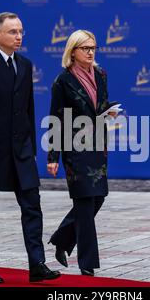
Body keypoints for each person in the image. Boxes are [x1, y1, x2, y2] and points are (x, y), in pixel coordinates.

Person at [0, 12, 60, 283]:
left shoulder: (25, 65)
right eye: (13, 32)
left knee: (32, 205)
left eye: (21, 32)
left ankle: (37, 265)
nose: (18, 37)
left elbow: (27, 108)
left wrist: (30, 146)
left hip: (21, 150)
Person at [47, 30, 116, 276]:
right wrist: (53, 156)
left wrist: (110, 111)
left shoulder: (101, 74)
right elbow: (56, 119)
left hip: (98, 145)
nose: (90, 52)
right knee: (84, 203)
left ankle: (61, 240)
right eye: (85, 48)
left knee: (98, 198)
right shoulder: (62, 81)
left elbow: (102, 104)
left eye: (93, 48)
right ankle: (88, 264)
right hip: (74, 148)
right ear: (72, 51)